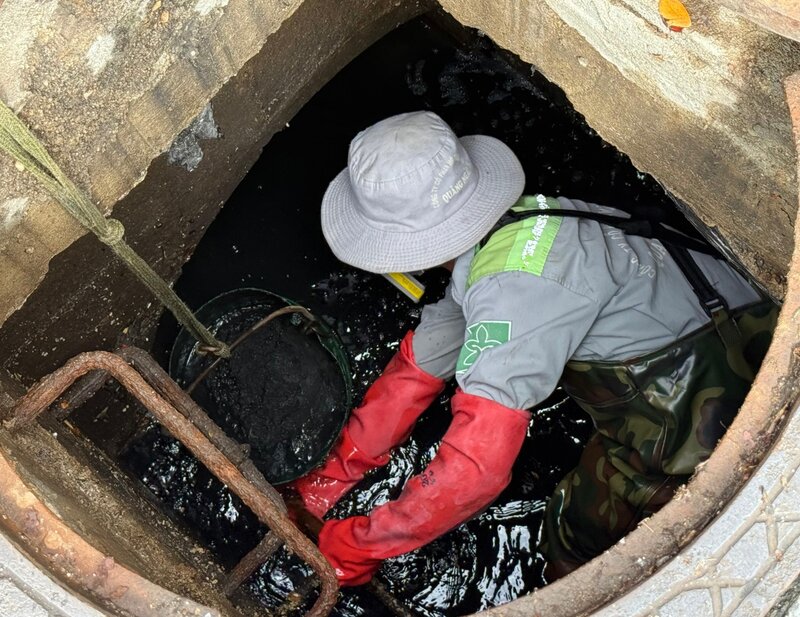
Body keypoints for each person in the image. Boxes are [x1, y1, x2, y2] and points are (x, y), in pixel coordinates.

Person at [289, 110, 777, 586]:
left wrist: (354, 547)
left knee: (572, 534)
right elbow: (421, 365)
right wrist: (330, 477)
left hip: (705, 404)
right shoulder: (526, 221)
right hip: (751, 331)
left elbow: (473, 473)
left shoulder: (508, 289)